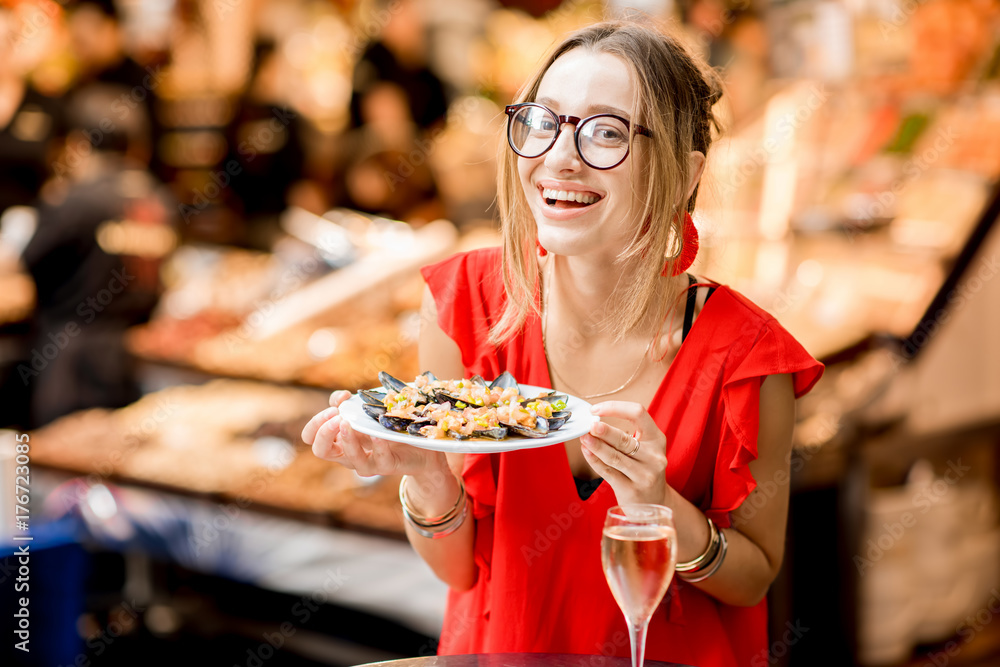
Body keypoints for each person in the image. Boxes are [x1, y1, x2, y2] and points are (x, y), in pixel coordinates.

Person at [303, 20, 824, 666]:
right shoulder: (467, 302)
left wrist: (659, 504)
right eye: (543, 122)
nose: (559, 157)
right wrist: (426, 472)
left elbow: (752, 577)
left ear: (684, 173)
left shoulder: (747, 355)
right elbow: (459, 571)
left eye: (606, 131)